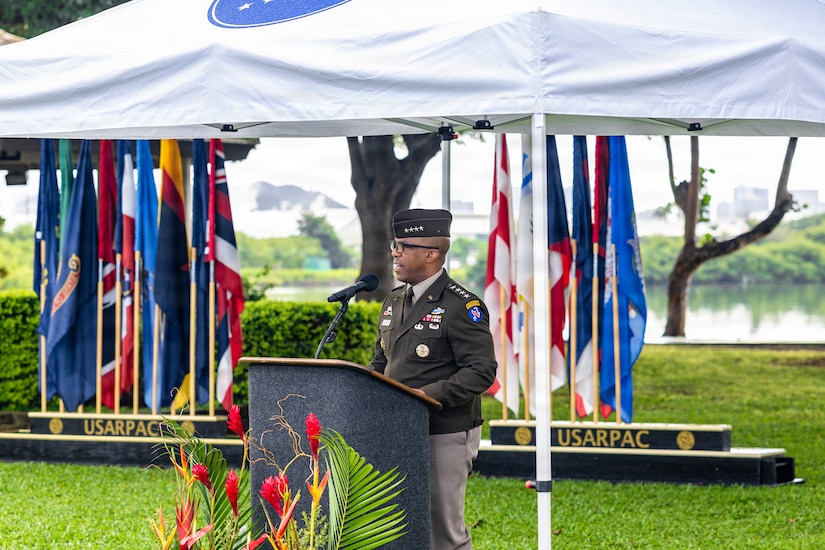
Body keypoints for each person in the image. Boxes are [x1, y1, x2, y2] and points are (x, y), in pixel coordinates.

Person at [367, 208, 498, 550]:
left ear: (431, 253)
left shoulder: (461, 305)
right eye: (393, 244)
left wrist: (423, 396)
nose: (394, 252)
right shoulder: (394, 300)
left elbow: (481, 370)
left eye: (403, 245)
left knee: (443, 530)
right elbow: (381, 361)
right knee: (398, 524)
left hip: (444, 431)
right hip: (397, 427)